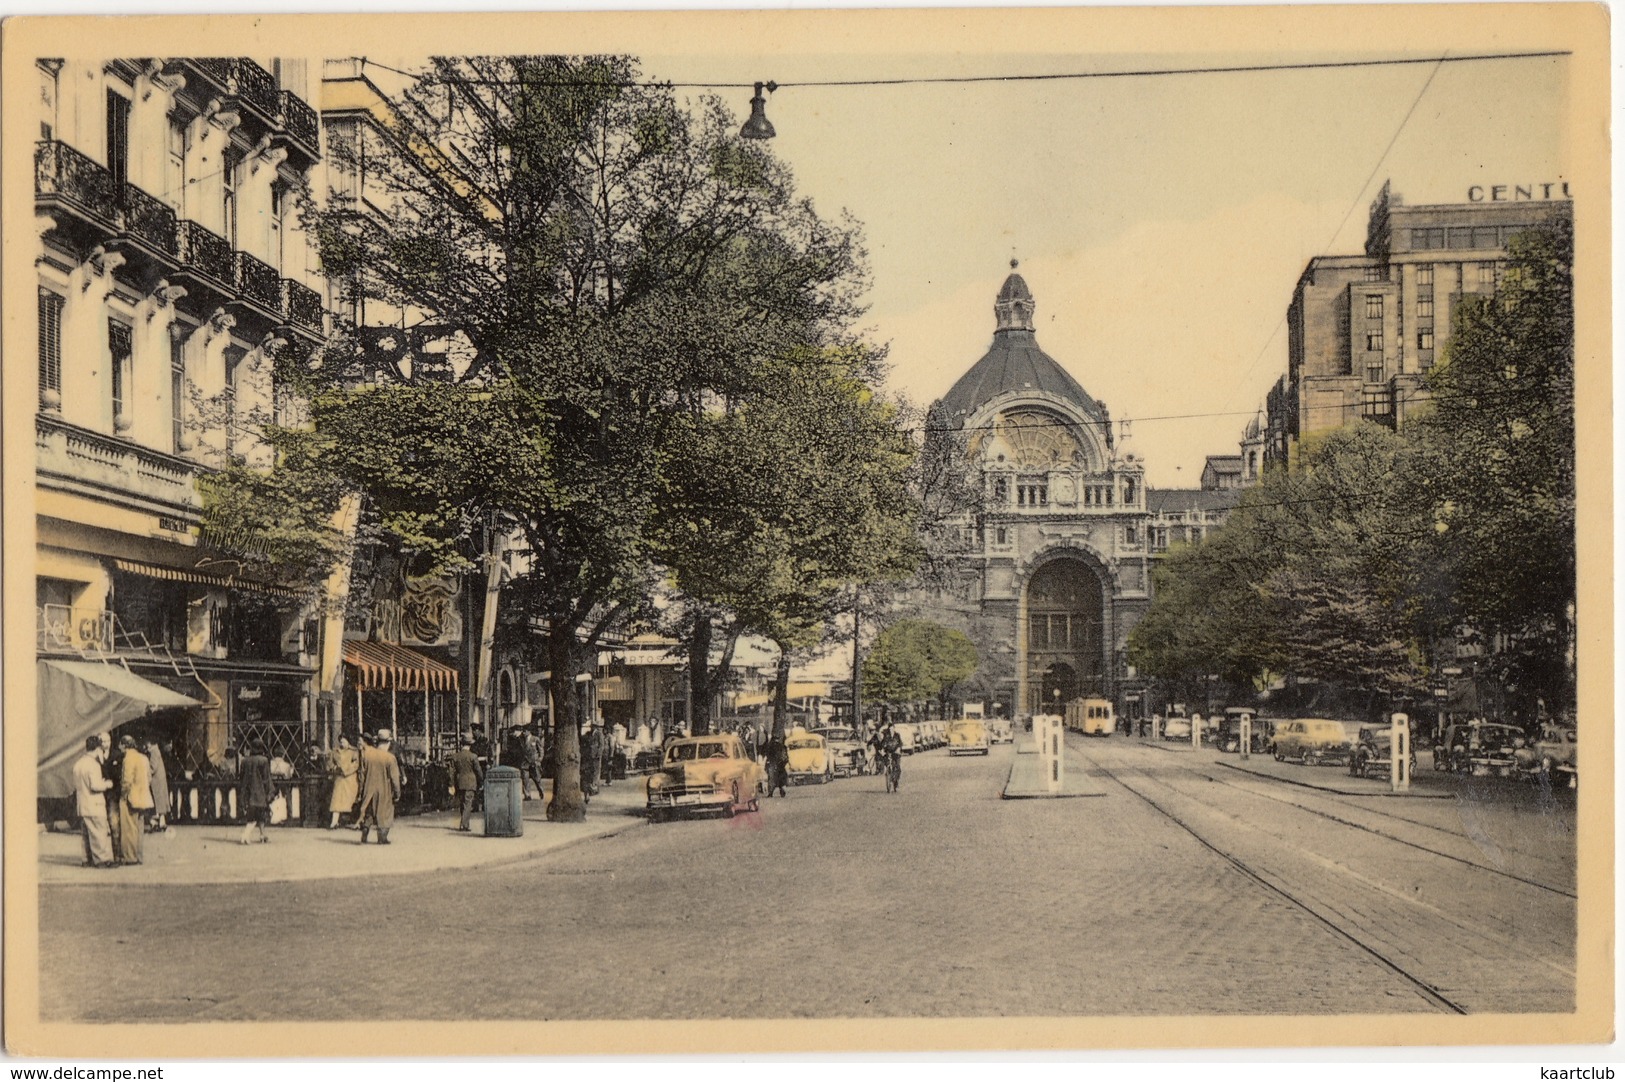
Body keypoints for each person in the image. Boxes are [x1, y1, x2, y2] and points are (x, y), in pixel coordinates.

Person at [73, 735, 115, 868]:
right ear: (97, 748)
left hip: (82, 804)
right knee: (99, 832)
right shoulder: (94, 765)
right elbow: (95, 786)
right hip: (95, 804)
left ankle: (86, 859)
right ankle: (102, 859)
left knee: (86, 834)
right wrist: (107, 784)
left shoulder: (78, 764)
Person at [356, 729, 403, 844]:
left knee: (369, 812)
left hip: (369, 788)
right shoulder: (390, 758)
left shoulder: (367, 756)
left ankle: (365, 834)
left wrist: (361, 791)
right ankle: (382, 838)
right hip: (384, 790)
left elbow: (361, 775)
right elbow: (395, 778)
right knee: (384, 813)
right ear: (388, 743)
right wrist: (397, 793)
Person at [115, 736, 153, 865]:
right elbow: (149, 778)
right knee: (139, 828)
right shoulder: (144, 758)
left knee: (129, 829)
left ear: (124, 745)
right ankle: (139, 856)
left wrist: (123, 795)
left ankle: (130, 857)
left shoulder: (128, 758)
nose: (119, 748)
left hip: (130, 798)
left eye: (120, 745)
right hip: (144, 798)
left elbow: (126, 781)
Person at [239, 741, 273, 845]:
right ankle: (245, 835)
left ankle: (263, 835)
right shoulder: (264, 760)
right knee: (258, 815)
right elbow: (266, 778)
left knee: (253, 814)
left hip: (248, 791)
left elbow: (241, 777)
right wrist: (269, 792)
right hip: (260, 791)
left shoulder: (245, 761)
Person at [450, 738, 483, 832]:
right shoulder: (473, 756)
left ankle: (465, 824)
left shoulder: (455, 756)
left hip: (459, 782)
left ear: (461, 745)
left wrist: (451, 783)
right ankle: (464, 825)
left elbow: (451, 772)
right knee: (468, 804)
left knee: (462, 803)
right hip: (470, 782)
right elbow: (478, 771)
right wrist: (481, 781)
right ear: (470, 745)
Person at [327, 736, 360, 829]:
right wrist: (334, 768)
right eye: (341, 742)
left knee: (352, 801)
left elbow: (356, 764)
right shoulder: (335, 751)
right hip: (339, 779)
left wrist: (345, 770)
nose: (342, 744)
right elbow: (330, 763)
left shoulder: (354, 751)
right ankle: (334, 822)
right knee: (337, 800)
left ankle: (355, 822)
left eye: (344, 742)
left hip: (350, 779)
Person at [144, 736, 170, 833]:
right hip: (159, 781)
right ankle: (161, 823)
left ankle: (156, 823)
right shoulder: (156, 751)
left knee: (157, 802)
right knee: (160, 803)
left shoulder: (154, 752)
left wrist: (144, 773)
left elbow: (153, 767)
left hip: (156, 782)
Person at [519, 727, 547, 802]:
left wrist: (540, 759)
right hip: (525, 762)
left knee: (537, 778)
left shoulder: (535, 739)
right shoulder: (521, 740)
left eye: (525, 731)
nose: (523, 733)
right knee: (525, 779)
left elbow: (541, 749)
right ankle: (527, 795)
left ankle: (541, 790)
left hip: (534, 761)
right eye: (523, 731)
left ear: (529, 731)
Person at [580, 721, 603, 800]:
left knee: (595, 772)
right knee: (589, 773)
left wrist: (598, 754)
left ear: (596, 727)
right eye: (591, 726)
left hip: (595, 756)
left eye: (593, 726)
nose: (592, 728)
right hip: (589, 756)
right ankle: (589, 790)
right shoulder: (588, 734)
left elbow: (601, 745)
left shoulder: (599, 734)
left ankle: (594, 788)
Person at [765, 730, 789, 798]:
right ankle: (782, 790)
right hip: (781, 764)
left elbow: (767, 754)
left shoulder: (769, 746)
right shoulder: (782, 746)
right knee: (781, 778)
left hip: (772, 763)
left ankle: (771, 792)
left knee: (772, 778)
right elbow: (786, 757)